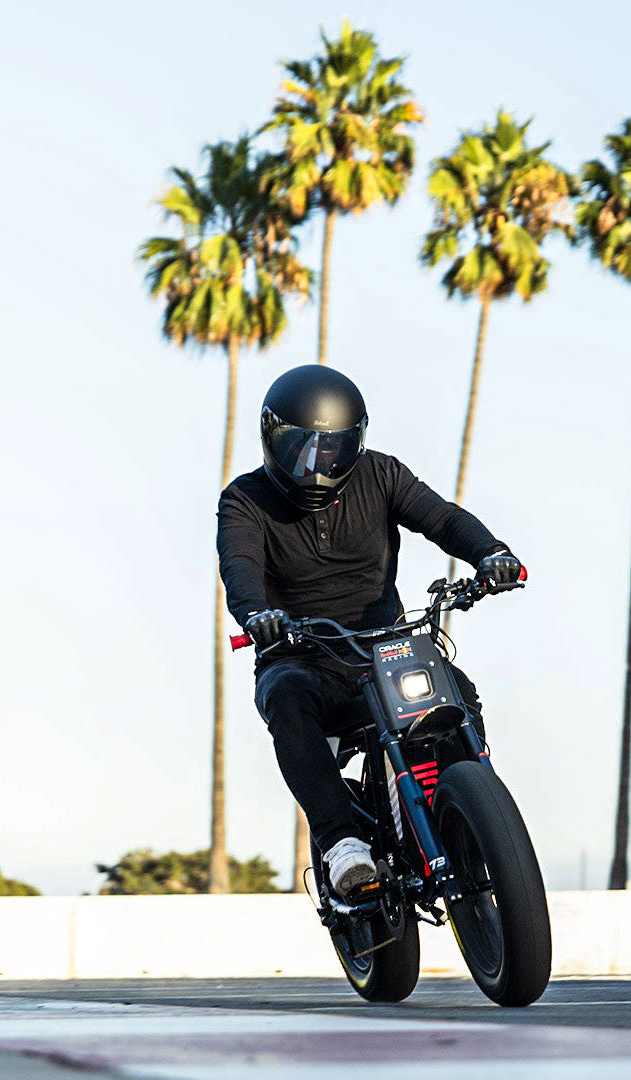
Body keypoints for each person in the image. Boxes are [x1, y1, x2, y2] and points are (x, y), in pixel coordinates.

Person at [216, 364, 522, 897]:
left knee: (458, 689)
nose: (315, 465)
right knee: (285, 695)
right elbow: (239, 564)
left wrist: (490, 553)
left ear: (355, 443)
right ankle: (342, 844)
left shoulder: (382, 475)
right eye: (299, 448)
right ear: (271, 439)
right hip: (298, 654)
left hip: (385, 652)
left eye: (330, 449)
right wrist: (256, 615)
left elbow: (443, 519)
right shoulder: (245, 499)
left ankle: (475, 812)